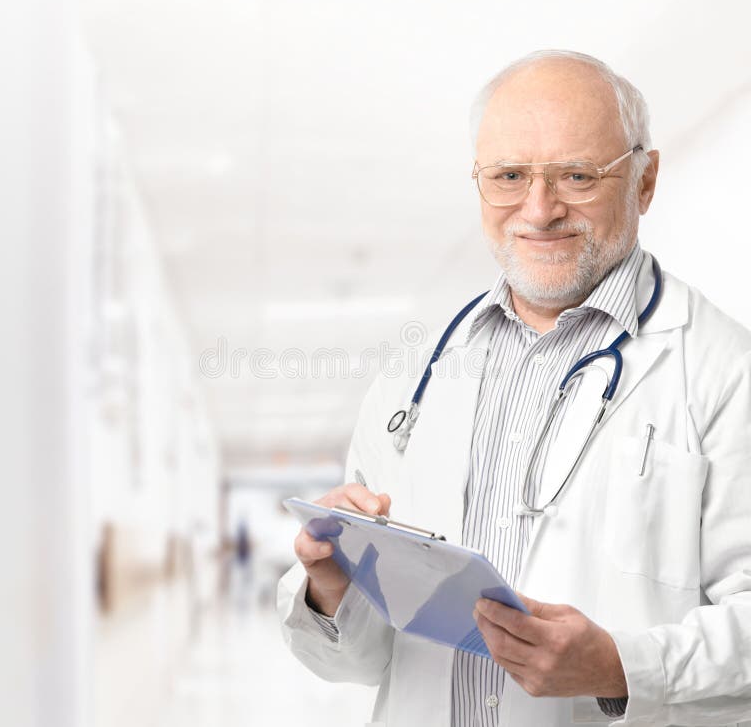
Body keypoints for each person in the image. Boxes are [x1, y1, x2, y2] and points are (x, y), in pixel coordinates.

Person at [277, 50, 751, 727]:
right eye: (508, 176)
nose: (539, 209)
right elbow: (361, 662)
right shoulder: (416, 373)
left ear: (644, 180)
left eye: (578, 176)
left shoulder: (725, 370)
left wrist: (620, 666)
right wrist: (332, 585)